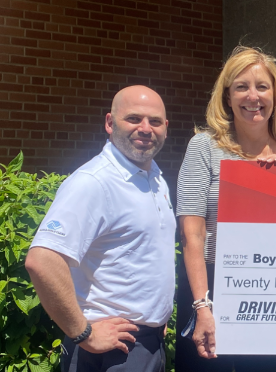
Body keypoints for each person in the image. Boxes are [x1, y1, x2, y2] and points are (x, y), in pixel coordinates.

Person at [175, 45, 276, 372]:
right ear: (227, 97)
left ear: (275, 95)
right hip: (207, 284)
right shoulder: (204, 147)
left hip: (268, 287)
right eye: (241, 87)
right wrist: (203, 306)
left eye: (262, 86)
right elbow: (192, 235)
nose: (253, 96)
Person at [25, 85, 174, 372]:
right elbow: (42, 260)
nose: (145, 128)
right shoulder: (93, 182)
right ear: (109, 122)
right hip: (109, 352)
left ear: (165, 127)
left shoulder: (154, 177)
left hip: (146, 344)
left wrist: (156, 314)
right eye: (133, 118)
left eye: (154, 121)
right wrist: (83, 333)